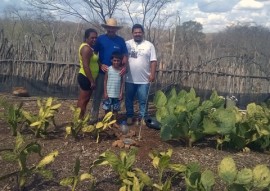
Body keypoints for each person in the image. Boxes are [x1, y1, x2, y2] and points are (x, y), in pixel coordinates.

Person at [91, 18, 128, 123]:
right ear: (106, 28)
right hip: (103, 72)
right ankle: (94, 118)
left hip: (117, 73)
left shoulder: (120, 40)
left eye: (113, 29)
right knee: (98, 95)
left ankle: (112, 120)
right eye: (109, 28)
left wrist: (124, 67)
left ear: (116, 29)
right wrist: (100, 64)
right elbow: (94, 54)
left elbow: (125, 55)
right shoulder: (100, 39)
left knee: (116, 96)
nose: (111, 30)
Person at [125, 24, 157, 125]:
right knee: (128, 99)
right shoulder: (127, 44)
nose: (137, 34)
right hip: (128, 78)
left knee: (143, 100)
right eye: (135, 32)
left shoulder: (149, 45)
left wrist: (152, 74)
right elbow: (121, 58)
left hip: (144, 79)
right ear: (132, 33)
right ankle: (129, 116)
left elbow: (153, 61)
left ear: (142, 33)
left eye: (139, 32)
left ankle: (142, 117)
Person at [77, 28, 99, 118]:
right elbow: (86, 66)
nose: (94, 39)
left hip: (88, 78)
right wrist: (92, 81)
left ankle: (80, 119)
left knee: (85, 100)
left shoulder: (90, 47)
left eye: (95, 38)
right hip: (86, 77)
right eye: (92, 38)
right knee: (83, 100)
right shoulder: (86, 48)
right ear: (86, 38)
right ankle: (78, 120)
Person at [102, 52, 125, 120]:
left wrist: (121, 93)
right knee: (107, 109)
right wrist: (105, 92)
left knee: (116, 109)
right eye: (114, 60)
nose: (116, 62)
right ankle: (106, 122)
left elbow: (122, 82)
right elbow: (105, 81)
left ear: (120, 61)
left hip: (117, 94)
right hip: (109, 94)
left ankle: (114, 122)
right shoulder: (108, 69)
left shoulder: (121, 71)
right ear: (111, 60)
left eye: (118, 61)